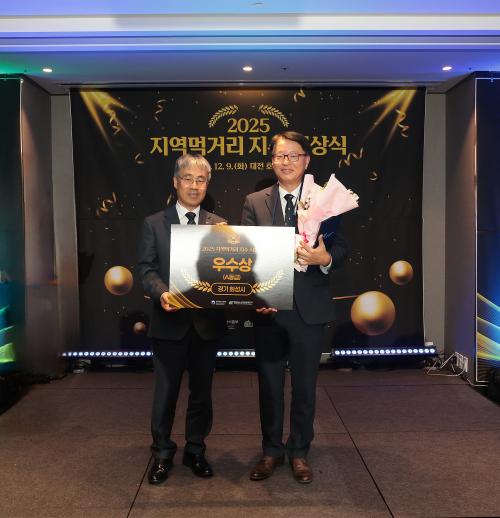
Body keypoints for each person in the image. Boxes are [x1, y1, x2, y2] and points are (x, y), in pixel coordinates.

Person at [241, 131, 348, 484]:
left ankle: (300, 451)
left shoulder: (326, 199)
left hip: (309, 309)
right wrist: (258, 296)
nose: (285, 162)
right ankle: (271, 451)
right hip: (269, 310)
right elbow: (247, 256)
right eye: (279, 156)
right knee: (269, 386)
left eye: (293, 155)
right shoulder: (254, 202)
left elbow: (342, 247)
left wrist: (324, 258)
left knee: (304, 387)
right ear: (272, 161)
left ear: (306, 160)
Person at [138, 153, 226, 485]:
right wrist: (162, 293)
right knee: (166, 394)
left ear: (207, 184)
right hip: (168, 323)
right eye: (187, 178)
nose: (194, 185)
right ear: (175, 182)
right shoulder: (153, 224)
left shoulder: (220, 225)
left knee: (202, 394)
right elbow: (146, 270)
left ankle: (195, 450)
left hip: (206, 325)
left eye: (201, 180)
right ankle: (162, 454)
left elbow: (227, 272)